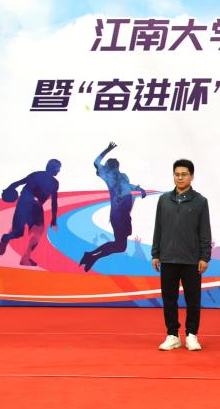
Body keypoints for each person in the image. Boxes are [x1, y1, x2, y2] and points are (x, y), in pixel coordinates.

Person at [151, 159, 211, 352]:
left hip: (191, 260)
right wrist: (155, 253)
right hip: (168, 258)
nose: (180, 178)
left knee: (193, 300)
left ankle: (192, 335)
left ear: (191, 176)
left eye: (184, 174)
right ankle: (172, 335)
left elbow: (205, 232)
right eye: (177, 174)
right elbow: (158, 228)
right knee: (169, 299)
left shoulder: (200, 201)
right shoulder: (164, 200)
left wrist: (204, 257)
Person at [80, 142, 146, 272]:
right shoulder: (107, 176)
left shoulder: (123, 176)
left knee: (120, 246)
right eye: (113, 167)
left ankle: (91, 256)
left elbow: (128, 187)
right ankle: (92, 256)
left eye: (116, 167)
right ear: (109, 168)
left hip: (125, 213)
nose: (115, 169)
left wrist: (140, 189)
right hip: (117, 214)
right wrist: (107, 149)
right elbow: (96, 162)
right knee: (120, 245)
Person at [0, 159, 61, 267]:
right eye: (58, 168)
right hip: (36, 207)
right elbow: (54, 202)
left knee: (17, 233)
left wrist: (8, 189)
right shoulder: (55, 183)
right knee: (37, 232)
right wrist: (54, 220)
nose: (59, 171)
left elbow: (18, 183)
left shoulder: (35, 174)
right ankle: (25, 258)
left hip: (22, 203)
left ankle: (6, 238)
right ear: (55, 169)